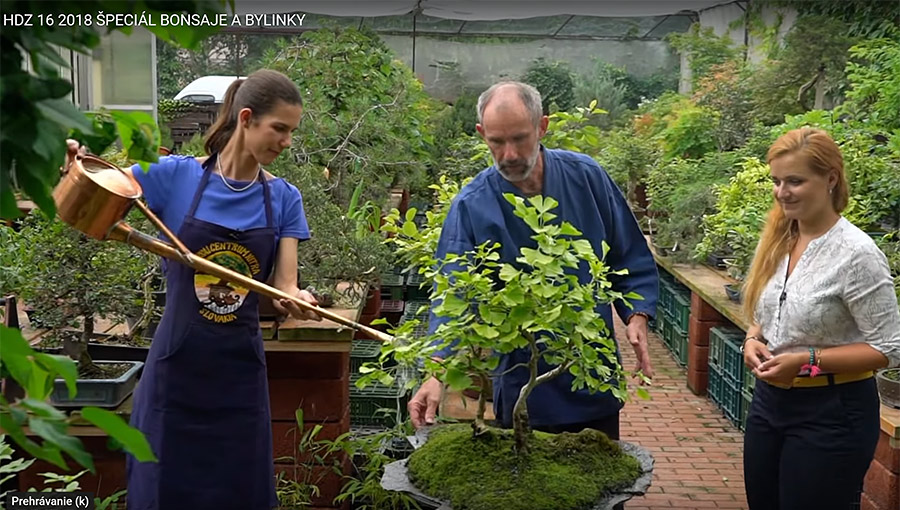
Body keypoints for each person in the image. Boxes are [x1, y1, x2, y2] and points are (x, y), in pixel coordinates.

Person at [70, 69, 320, 510]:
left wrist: (296, 300)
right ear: (246, 118)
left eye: (292, 132)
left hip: (239, 377)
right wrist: (73, 163)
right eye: (279, 129)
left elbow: (285, 287)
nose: (286, 142)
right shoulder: (174, 176)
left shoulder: (284, 198)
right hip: (176, 374)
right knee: (163, 491)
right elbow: (93, 191)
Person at [407, 81, 658, 443]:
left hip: (589, 367)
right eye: (496, 141)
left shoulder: (587, 177)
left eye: (520, 139)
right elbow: (452, 292)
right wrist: (436, 371)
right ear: (481, 135)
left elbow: (629, 253)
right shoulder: (472, 204)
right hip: (522, 376)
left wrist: (637, 314)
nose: (509, 154)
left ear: (542, 127)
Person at [741, 128, 900, 510]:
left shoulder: (856, 254)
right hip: (768, 404)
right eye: (776, 181)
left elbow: (889, 347)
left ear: (830, 178)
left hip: (833, 412)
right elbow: (766, 314)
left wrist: (807, 361)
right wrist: (751, 340)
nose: (783, 192)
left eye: (795, 181)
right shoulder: (778, 240)